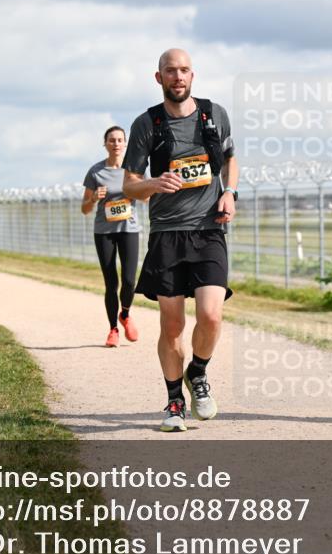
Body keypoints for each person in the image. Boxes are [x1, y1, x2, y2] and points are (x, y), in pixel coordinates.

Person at [122, 48, 238, 433]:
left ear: (193, 76)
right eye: (170, 71)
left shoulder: (214, 115)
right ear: (159, 78)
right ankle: (174, 401)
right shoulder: (147, 124)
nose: (178, 77)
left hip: (208, 230)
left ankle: (198, 373)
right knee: (172, 326)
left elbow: (230, 158)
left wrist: (229, 193)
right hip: (167, 234)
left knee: (211, 315)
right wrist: (154, 184)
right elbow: (129, 185)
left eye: (184, 70)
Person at [82, 126, 142, 347]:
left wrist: (142, 190)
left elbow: (145, 196)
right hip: (104, 232)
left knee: (129, 281)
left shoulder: (134, 169)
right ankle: (113, 329)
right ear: (105, 144)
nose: (116, 143)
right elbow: (85, 208)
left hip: (129, 229)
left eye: (120, 140)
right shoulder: (95, 171)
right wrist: (94, 199)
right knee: (111, 283)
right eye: (112, 140)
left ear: (125, 143)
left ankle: (125, 314)